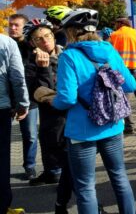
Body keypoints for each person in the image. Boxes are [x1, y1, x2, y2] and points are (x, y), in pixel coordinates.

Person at [51, 8, 136, 213]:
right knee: (119, 176)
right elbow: (131, 85)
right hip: (113, 125)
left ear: (71, 31)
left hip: (82, 131)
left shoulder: (69, 56)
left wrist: (51, 101)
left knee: (86, 186)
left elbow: (67, 98)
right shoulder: (109, 50)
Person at [22, 18, 73, 213]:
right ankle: (82, 205)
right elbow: (47, 95)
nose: (45, 41)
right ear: (33, 43)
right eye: (38, 39)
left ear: (54, 36)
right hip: (54, 126)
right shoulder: (32, 66)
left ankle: (61, 204)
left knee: (72, 170)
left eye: (47, 36)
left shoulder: (68, 56)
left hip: (76, 122)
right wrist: (43, 69)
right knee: (71, 169)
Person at [8, 14, 40, 182]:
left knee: (30, 135)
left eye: (16, 25)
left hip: (29, 100)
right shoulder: (4, 45)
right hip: (6, 98)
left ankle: (29, 166)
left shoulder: (31, 47)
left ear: (24, 27)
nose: (13, 28)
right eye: (10, 25)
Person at [0, 33, 30, 214]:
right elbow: (17, 76)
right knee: (1, 159)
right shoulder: (6, 42)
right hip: (1, 107)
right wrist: (22, 104)